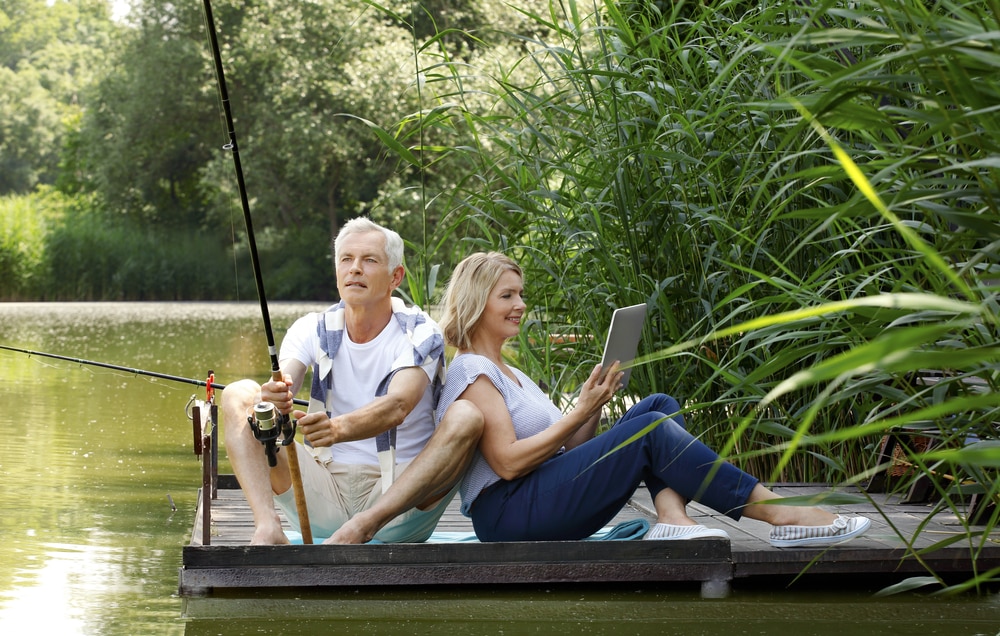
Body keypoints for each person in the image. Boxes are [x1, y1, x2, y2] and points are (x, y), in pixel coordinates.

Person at [435, 251, 872, 547]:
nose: (521, 305)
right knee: (648, 430)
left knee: (657, 406)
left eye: (521, 294)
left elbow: (573, 451)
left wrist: (598, 402)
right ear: (477, 302)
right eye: (507, 295)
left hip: (541, 499)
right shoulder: (471, 370)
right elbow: (508, 463)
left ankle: (671, 518)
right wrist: (581, 411)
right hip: (509, 516)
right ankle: (781, 515)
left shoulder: (514, 374)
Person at [221, 217, 483, 545]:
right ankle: (267, 526)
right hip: (322, 493)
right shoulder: (311, 327)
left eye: (369, 260)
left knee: (467, 416)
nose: (354, 269)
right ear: (336, 271)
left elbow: (398, 405)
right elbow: (287, 375)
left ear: (395, 276)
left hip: (398, 503)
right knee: (238, 394)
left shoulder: (421, 331)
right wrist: (275, 394)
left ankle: (362, 528)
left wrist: (336, 430)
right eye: (346, 259)